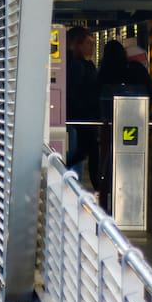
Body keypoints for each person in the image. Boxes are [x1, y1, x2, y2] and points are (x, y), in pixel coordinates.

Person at [95, 38, 152, 213]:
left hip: (109, 123)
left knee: (106, 162)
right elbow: (151, 91)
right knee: (133, 160)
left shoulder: (104, 72)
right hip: (134, 122)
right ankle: (130, 200)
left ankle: (104, 200)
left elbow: (95, 94)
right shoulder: (136, 69)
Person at [65, 27, 99, 187]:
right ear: (78, 45)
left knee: (86, 152)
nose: (91, 47)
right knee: (84, 152)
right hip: (81, 119)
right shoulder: (78, 66)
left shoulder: (88, 65)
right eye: (87, 43)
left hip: (87, 118)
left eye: (93, 43)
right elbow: (75, 92)